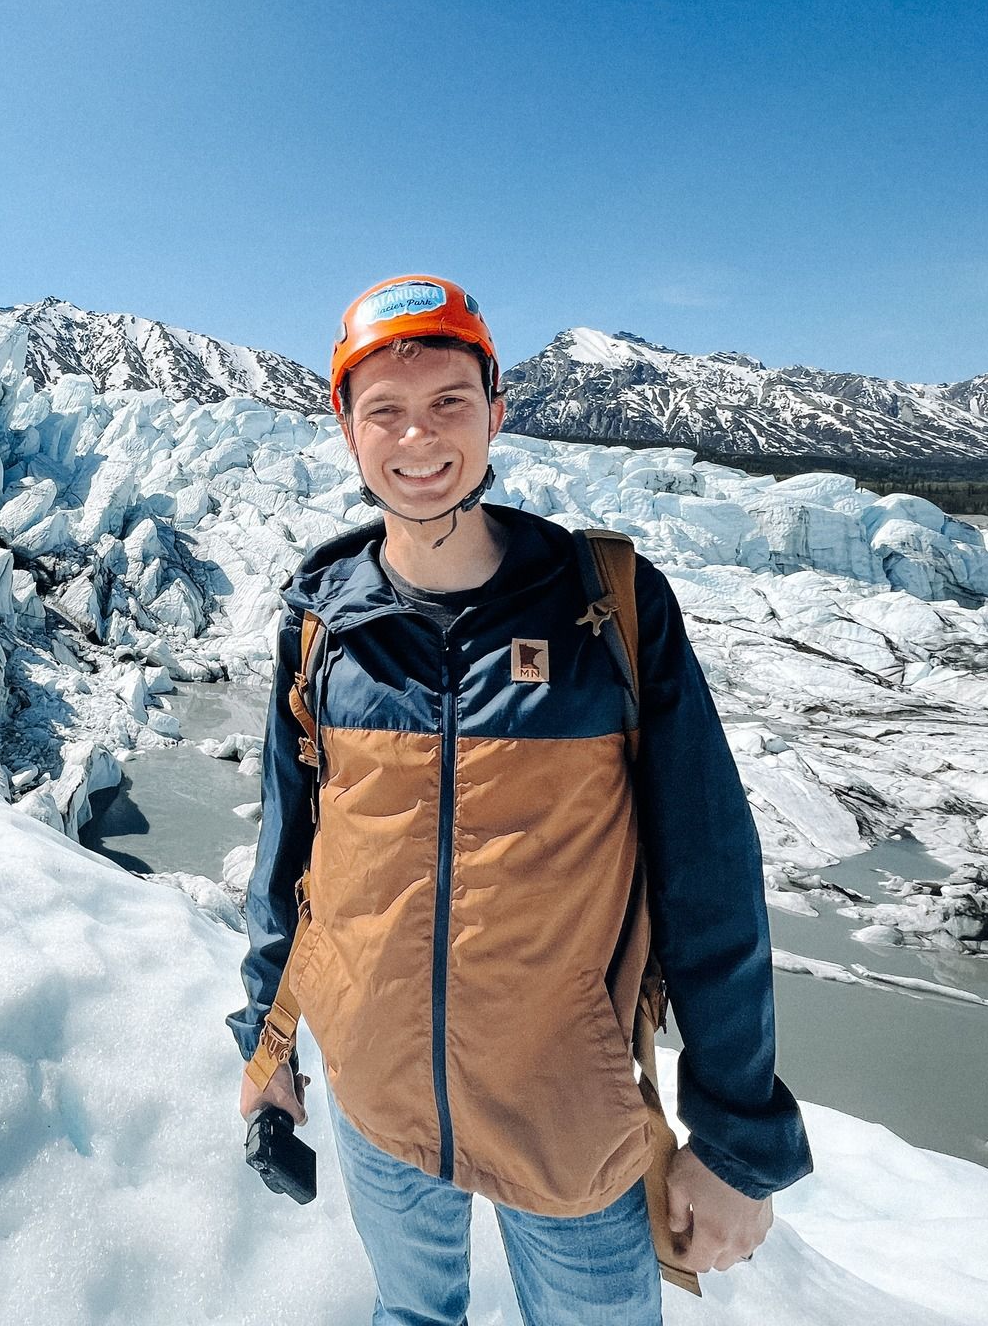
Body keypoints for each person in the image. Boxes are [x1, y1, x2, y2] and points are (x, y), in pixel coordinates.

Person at [229, 275, 812, 1326]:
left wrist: (736, 1138)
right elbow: (293, 854)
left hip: (565, 1110)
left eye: (448, 401)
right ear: (347, 428)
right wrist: (267, 1045)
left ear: (496, 411)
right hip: (376, 1095)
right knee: (411, 1315)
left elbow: (707, 869)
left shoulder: (605, 607)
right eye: (385, 410)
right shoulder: (324, 624)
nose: (418, 436)